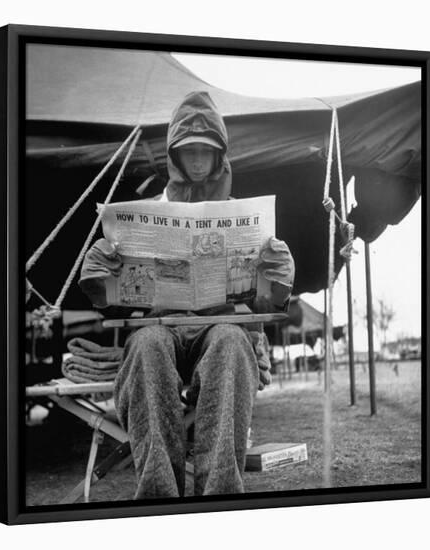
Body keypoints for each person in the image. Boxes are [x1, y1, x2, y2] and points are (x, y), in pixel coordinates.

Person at [79, 91, 294, 499]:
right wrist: (101, 285)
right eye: (189, 151)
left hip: (220, 325)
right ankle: (159, 497)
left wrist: (279, 284)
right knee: (145, 345)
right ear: (174, 157)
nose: (197, 161)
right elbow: (120, 297)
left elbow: (264, 303)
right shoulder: (150, 210)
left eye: (206, 153)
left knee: (232, 342)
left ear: (220, 158)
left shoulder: (242, 216)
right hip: (161, 323)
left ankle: (221, 499)